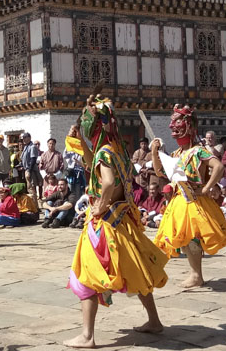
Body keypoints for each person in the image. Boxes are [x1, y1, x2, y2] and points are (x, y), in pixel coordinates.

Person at [64, 94, 168, 348]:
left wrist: (99, 205)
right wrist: (82, 145)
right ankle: (154, 321)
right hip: (123, 223)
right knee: (136, 272)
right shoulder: (118, 151)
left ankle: (87, 336)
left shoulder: (105, 153)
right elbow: (97, 166)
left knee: (86, 275)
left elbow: (108, 182)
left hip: (105, 226)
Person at [151, 104, 226, 288]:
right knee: (185, 241)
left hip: (195, 200)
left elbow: (219, 167)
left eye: (177, 122)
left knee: (194, 238)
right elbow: (161, 172)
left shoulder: (198, 151)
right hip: (179, 201)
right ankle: (195, 273)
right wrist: (155, 152)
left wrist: (206, 188)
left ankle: (197, 275)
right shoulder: (177, 154)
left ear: (188, 125)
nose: (173, 127)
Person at [64, 125, 86, 196]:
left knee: (79, 189)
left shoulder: (81, 143)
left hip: (79, 171)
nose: (73, 133)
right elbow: (65, 155)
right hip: (71, 170)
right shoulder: (69, 143)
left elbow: (85, 159)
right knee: (70, 189)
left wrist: (79, 162)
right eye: (71, 131)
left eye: (74, 131)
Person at [21, 133, 43, 199]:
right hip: (26, 169)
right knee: (30, 188)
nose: (23, 140)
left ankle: (35, 206)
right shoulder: (26, 147)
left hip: (31, 170)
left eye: (25, 138)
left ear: (29, 138)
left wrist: (29, 171)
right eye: (23, 138)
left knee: (32, 188)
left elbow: (33, 159)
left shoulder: (32, 146)